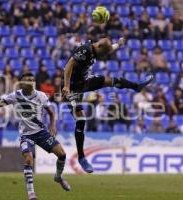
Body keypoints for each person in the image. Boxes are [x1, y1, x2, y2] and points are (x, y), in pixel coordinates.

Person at [62, 37, 154, 173]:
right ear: (98, 47)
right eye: (103, 54)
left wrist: (120, 43)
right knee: (81, 120)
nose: (104, 56)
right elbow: (69, 64)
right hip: (72, 88)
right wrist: (66, 86)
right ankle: (81, 157)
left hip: (85, 82)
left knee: (111, 80)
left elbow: (110, 48)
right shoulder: (85, 50)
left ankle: (136, 86)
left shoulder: (99, 47)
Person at [0, 73, 70, 200]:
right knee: (29, 159)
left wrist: (53, 125)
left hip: (41, 132)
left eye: (33, 79)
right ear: (21, 82)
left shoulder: (41, 95)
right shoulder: (16, 95)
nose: (31, 81)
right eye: (28, 79)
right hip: (26, 134)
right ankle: (31, 193)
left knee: (62, 154)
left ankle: (58, 176)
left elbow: (51, 112)